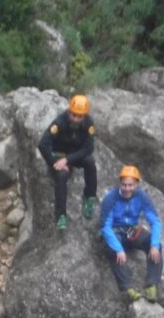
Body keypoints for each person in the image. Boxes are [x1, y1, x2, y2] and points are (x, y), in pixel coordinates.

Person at [99, 165, 163, 302]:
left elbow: (155, 221)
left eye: (131, 185)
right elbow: (105, 226)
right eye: (124, 185)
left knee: (155, 246)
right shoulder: (111, 198)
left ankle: (151, 285)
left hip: (132, 231)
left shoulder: (142, 197)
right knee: (113, 251)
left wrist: (155, 244)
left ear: (137, 184)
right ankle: (127, 288)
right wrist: (118, 249)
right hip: (116, 232)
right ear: (120, 184)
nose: (127, 188)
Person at [38, 93, 98, 231]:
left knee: (90, 162)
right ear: (69, 111)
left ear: (84, 115)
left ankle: (89, 197)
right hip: (59, 154)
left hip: (73, 155)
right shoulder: (60, 122)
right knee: (62, 175)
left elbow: (89, 148)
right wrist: (54, 161)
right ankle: (60, 215)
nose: (76, 119)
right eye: (73, 115)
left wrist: (68, 159)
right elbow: (43, 144)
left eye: (80, 116)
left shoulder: (88, 123)